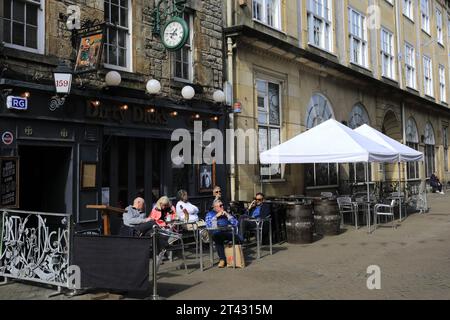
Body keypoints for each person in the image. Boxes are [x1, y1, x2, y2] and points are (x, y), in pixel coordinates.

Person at [205, 199, 239, 268]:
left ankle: (235, 258)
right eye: (220, 205)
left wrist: (227, 215)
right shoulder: (210, 214)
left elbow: (236, 223)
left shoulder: (226, 213)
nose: (222, 207)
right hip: (216, 233)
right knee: (217, 237)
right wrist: (216, 217)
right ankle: (222, 259)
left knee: (239, 238)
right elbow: (209, 226)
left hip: (228, 232)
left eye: (223, 205)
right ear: (215, 207)